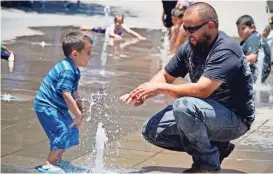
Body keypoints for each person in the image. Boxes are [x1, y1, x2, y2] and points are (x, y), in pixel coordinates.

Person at [120, 2, 254, 173]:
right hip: (206, 113)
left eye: (192, 29)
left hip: (235, 119)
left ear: (210, 26)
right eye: (185, 27)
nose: (187, 33)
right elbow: (166, 75)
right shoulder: (190, 46)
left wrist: (159, 88)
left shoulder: (225, 49)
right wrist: (145, 92)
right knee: (151, 130)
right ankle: (216, 147)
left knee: (183, 106)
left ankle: (207, 165)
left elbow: (202, 90)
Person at [33, 31, 92, 173]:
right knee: (62, 131)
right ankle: (48, 163)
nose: (90, 56)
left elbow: (74, 93)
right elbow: (66, 95)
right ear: (75, 54)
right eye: (88, 53)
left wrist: (81, 108)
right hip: (47, 106)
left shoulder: (74, 69)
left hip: (56, 106)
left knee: (70, 131)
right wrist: (77, 115)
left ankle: (57, 160)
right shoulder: (67, 70)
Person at [236, 15, 271, 83]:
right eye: (238, 29)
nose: (240, 32)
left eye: (243, 28)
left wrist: (232, 61)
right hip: (253, 78)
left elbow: (253, 58)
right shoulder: (249, 39)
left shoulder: (253, 38)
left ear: (252, 27)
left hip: (254, 78)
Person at [80, 14, 146, 40]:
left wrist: (139, 36)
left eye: (119, 22)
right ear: (114, 22)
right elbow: (110, 33)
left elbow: (131, 32)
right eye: (116, 22)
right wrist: (115, 36)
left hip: (115, 33)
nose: (117, 24)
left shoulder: (123, 26)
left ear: (122, 22)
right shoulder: (112, 27)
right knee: (97, 29)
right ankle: (86, 27)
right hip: (106, 30)